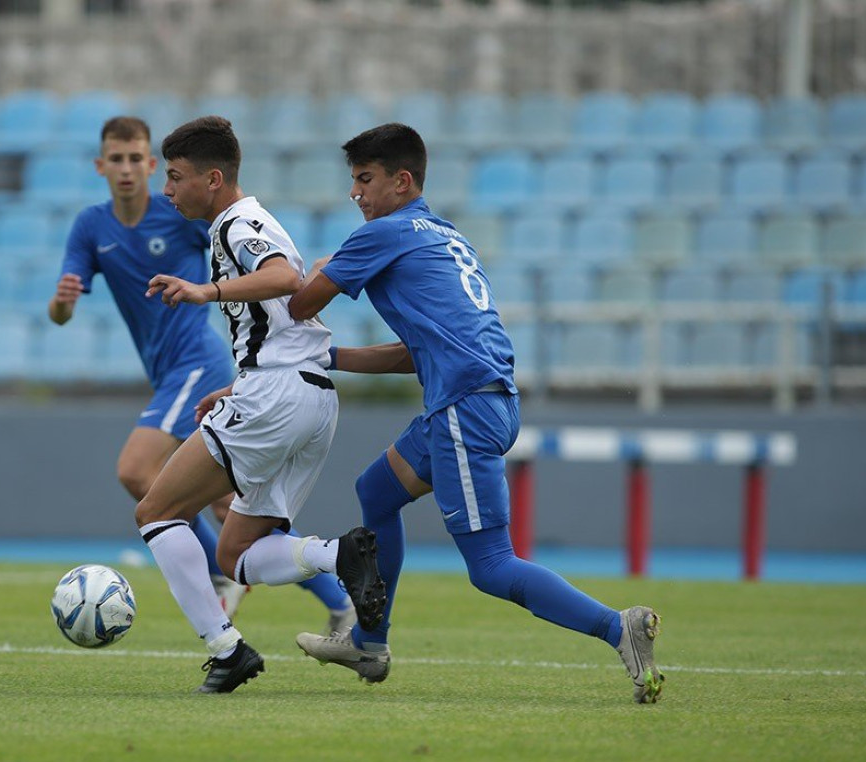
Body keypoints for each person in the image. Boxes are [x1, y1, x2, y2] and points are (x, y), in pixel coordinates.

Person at [286, 123, 665, 704]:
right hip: (483, 400)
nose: (354, 193)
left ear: (402, 181)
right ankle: (368, 642)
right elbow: (417, 354)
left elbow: (300, 303)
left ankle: (619, 627)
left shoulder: (383, 233)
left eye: (364, 179)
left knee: (491, 566)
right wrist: (331, 358)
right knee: (377, 492)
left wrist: (322, 265)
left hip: (464, 409)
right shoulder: (442, 235)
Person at [47, 116, 356, 634]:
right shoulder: (92, 227)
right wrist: (61, 303)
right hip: (176, 372)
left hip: (197, 363)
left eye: (137, 160)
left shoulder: (190, 216)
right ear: (101, 166)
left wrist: (206, 289)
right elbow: (60, 314)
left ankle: (220, 580)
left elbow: (268, 263)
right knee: (226, 506)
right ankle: (339, 599)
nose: (128, 170)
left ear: (149, 163)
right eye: (116, 160)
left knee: (138, 471)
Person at [134, 115, 387, 693]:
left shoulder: (236, 223)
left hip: (277, 395)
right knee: (237, 552)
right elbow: (288, 313)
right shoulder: (246, 222)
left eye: (174, 176)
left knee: (156, 512)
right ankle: (336, 555)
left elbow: (283, 277)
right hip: (310, 394)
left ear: (213, 179)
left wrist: (206, 290)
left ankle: (227, 651)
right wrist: (239, 384)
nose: (166, 189)